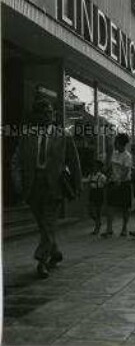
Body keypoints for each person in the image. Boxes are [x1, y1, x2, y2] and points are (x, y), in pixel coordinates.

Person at [11, 98, 82, 279]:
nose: (48, 116)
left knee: (48, 222)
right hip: (32, 186)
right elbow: (17, 162)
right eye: (43, 112)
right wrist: (18, 183)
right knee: (43, 225)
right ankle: (55, 252)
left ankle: (41, 261)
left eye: (50, 112)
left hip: (54, 186)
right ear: (36, 116)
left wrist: (78, 183)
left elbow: (74, 162)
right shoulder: (27, 136)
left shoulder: (63, 135)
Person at [101, 133, 132, 238]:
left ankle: (124, 228)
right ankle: (109, 228)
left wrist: (120, 180)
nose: (115, 145)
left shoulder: (127, 156)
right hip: (113, 182)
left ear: (120, 143)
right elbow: (107, 168)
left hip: (124, 183)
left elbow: (126, 170)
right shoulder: (113, 154)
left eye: (116, 143)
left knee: (125, 207)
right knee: (110, 206)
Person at [87, 160, 107, 235]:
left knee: (98, 211)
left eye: (96, 166)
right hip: (92, 193)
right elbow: (89, 183)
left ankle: (97, 227)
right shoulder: (91, 175)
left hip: (99, 193)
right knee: (90, 211)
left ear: (99, 168)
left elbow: (105, 185)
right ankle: (97, 222)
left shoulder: (102, 176)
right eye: (93, 166)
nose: (94, 167)